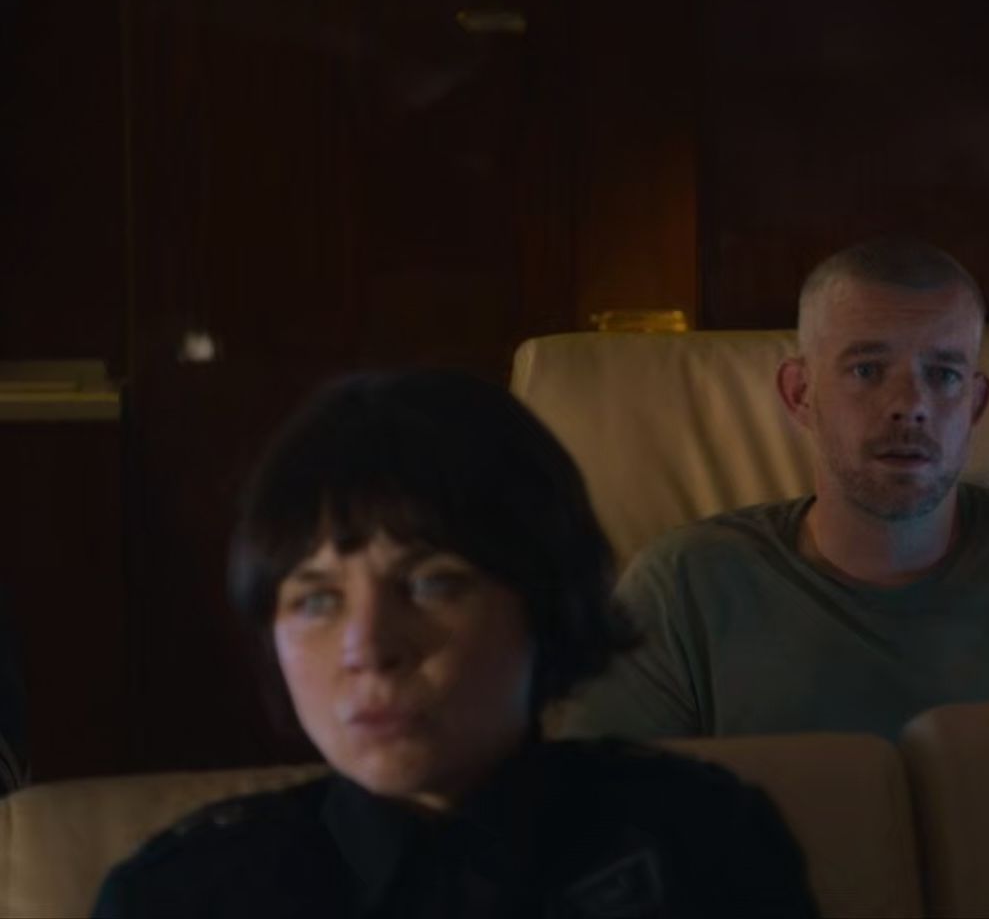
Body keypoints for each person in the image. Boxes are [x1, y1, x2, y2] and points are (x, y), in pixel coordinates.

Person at [95, 370, 817, 918]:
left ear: (545, 603)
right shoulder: (182, 897)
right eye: (316, 600)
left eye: (431, 584)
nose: (367, 647)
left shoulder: (701, 843)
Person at [571, 237, 989, 741]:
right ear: (799, 394)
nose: (911, 405)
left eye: (944, 374)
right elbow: (591, 834)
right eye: (867, 369)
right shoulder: (683, 589)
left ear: (975, 404)